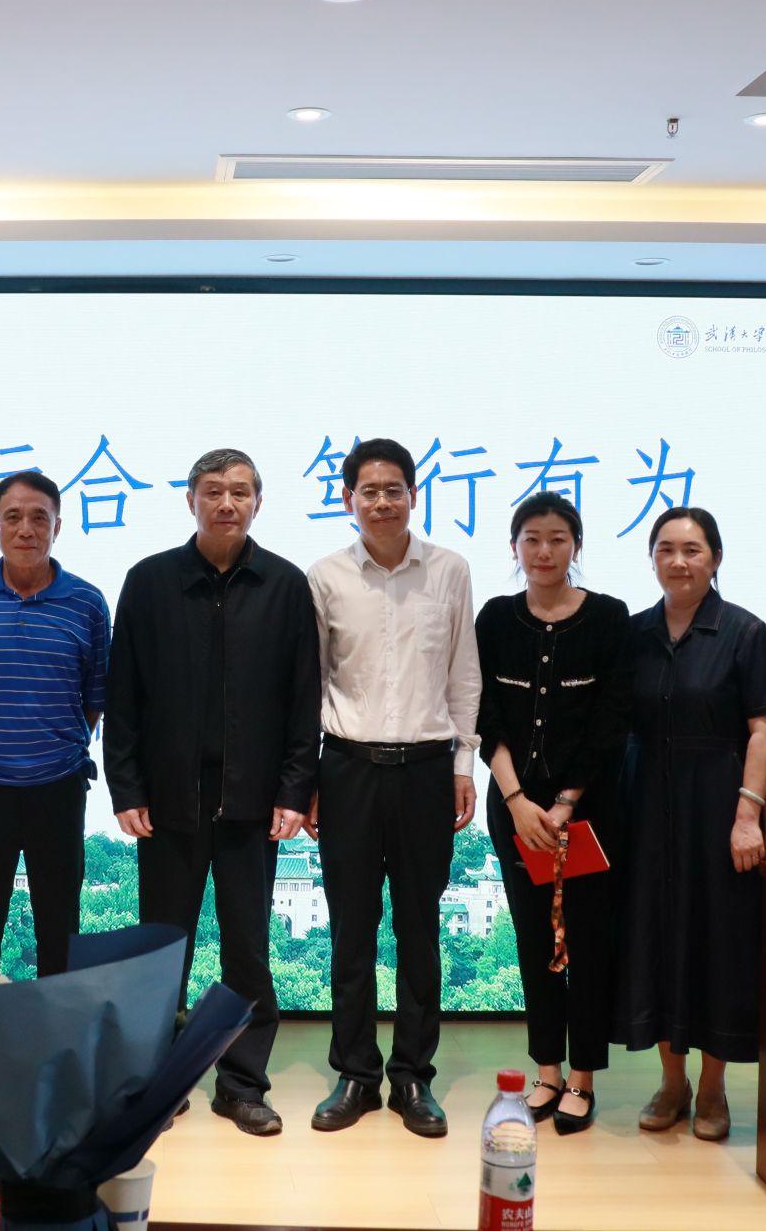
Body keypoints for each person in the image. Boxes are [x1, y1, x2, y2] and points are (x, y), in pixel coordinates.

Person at [106, 448, 318, 1137]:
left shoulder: (284, 584)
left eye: (241, 492)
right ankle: (158, 1081)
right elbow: (124, 692)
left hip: (253, 801)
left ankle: (242, 1084)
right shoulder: (150, 580)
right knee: (161, 951)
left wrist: (295, 788)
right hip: (169, 799)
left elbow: (303, 696)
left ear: (258, 501)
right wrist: (126, 785)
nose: (228, 503)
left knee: (248, 951)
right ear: (191, 498)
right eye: (214, 491)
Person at [305, 438, 478, 1139]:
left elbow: (463, 673)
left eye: (394, 488)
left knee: (419, 927)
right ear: (349, 499)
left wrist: (463, 766)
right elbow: (312, 682)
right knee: (350, 928)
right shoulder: (324, 576)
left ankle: (412, 1075)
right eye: (369, 490)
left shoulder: (449, 570)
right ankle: (354, 1072)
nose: (382, 501)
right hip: (346, 768)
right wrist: (309, 779)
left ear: (414, 494)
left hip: (427, 770)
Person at [620, 506, 766, 1142]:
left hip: (718, 804)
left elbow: (765, 730)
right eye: (665, 549)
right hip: (645, 805)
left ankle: (713, 1088)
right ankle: (672, 1082)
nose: (678, 561)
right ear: (652, 559)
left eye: (692, 550)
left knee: (719, 941)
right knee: (657, 939)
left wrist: (748, 815)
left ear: (715, 558)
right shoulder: (634, 633)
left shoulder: (744, 632)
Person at [474, 491, 631, 1136]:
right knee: (534, 940)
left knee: (588, 940)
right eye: (532, 539)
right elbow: (484, 715)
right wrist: (517, 801)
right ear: (515, 547)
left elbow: (610, 720)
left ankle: (584, 1077)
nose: (544, 551)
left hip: (588, 813)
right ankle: (546, 1070)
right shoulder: (495, 617)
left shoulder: (609, 617)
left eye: (557, 539)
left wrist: (565, 802)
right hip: (515, 809)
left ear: (576, 546)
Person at [0, 471, 109, 979]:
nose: (26, 529)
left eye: (40, 518)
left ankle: (56, 1026)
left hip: (59, 787)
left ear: (58, 526)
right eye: (12, 517)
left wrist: (56, 746)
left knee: (60, 926)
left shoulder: (87, 603)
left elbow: (95, 699)